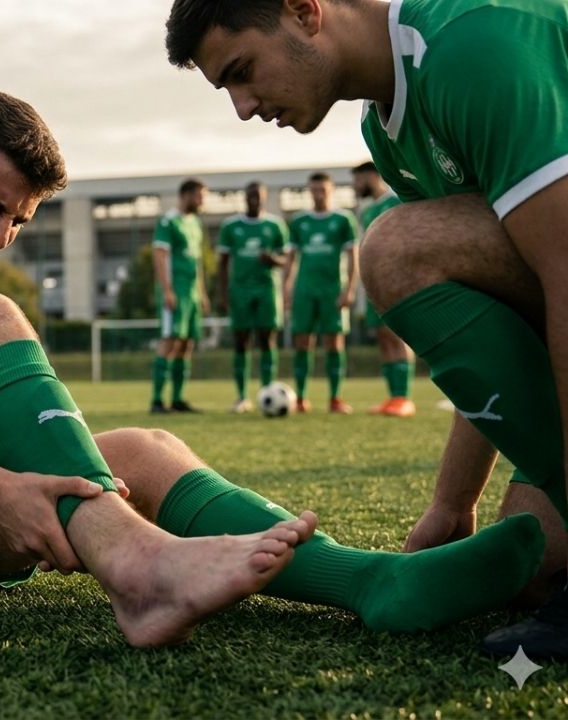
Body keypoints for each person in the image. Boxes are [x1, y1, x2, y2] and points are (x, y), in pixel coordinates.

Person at [0, 89, 546, 649]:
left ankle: (375, 583)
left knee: (145, 450)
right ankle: (139, 568)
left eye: (17, 222)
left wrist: (29, 479)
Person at [164, 0, 568, 656]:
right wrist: (449, 503)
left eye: (242, 71)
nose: (242, 107)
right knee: (532, 565)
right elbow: (497, 313)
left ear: (303, 11)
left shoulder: (471, 41)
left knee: (393, 246)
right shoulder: (386, 132)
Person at [283, 172, 359, 414]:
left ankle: (335, 398)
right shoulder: (298, 222)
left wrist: (350, 289)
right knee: (302, 342)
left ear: (331, 190)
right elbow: (291, 259)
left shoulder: (343, 220)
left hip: (332, 290)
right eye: (314, 190)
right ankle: (301, 398)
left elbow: (352, 256)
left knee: (334, 342)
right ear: (309, 191)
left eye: (322, 190)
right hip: (305, 290)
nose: (318, 194)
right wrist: (286, 288)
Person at [217, 181, 289, 413]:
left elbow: (286, 259)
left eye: (258, 196)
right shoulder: (231, 226)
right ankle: (241, 397)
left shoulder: (275, 225)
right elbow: (223, 263)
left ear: (264, 198)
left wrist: (273, 260)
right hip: (240, 291)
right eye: (250, 196)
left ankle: (267, 389)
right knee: (241, 341)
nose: (254, 200)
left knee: (268, 339)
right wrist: (223, 294)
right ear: (244, 197)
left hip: (267, 289)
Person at [351, 161, 415, 418]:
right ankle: (392, 397)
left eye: (357, 180)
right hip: (374, 282)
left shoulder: (396, 200)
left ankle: (404, 398)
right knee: (382, 336)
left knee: (396, 335)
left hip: (396, 279)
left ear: (370, 176)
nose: (355, 186)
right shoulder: (367, 211)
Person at [151, 179, 210, 414]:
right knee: (169, 341)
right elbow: (159, 255)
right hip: (175, 292)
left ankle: (177, 398)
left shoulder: (195, 223)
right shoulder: (169, 222)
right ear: (186, 195)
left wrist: (202, 293)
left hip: (192, 295)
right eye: (199, 196)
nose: (202, 201)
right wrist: (167, 290)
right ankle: (157, 400)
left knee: (186, 344)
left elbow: (197, 262)